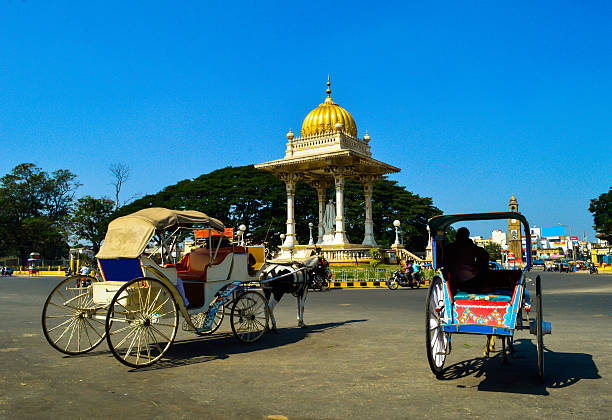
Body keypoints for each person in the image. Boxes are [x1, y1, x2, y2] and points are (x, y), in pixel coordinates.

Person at [443, 227, 489, 294]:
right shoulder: (472, 247)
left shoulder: (450, 247)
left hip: (454, 279)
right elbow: (485, 255)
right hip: (470, 279)